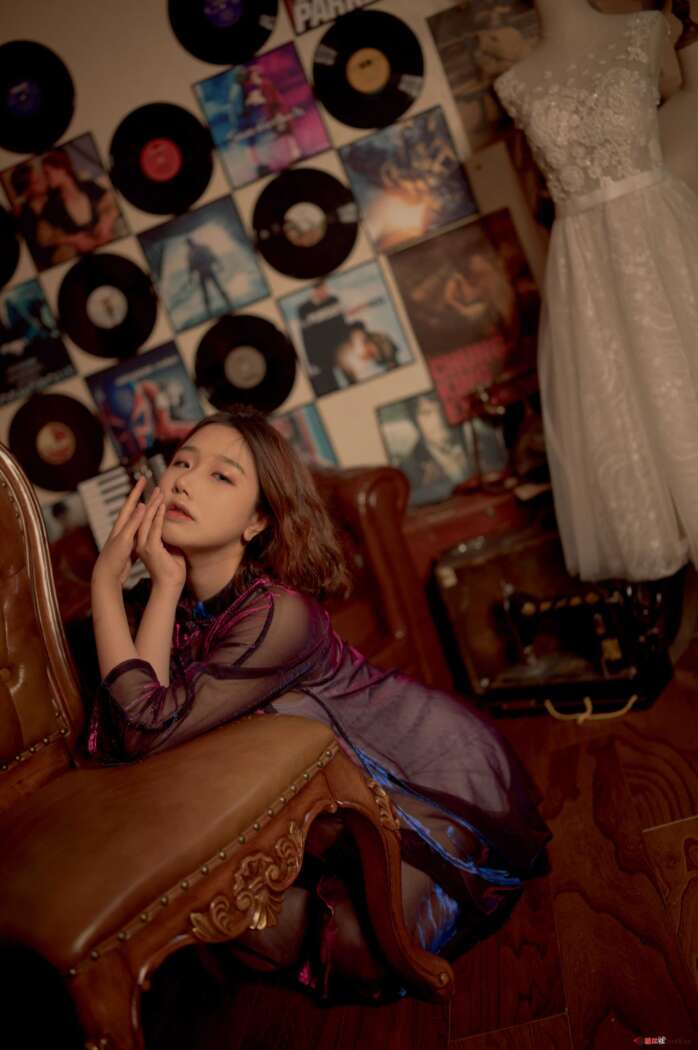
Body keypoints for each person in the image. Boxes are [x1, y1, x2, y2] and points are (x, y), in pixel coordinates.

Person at [86, 406, 551, 1001]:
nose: (182, 482)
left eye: (221, 476)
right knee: (281, 930)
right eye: (181, 463)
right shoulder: (173, 602)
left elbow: (144, 731)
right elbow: (145, 726)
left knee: (359, 949)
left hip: (423, 773)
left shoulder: (279, 613)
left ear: (257, 521)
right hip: (332, 797)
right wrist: (164, 587)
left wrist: (104, 582)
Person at [494, 0, 698, 583]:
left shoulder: (644, 30)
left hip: (661, 242)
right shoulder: (514, 84)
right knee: (629, 408)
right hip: (585, 268)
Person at [40, 148, 122, 257]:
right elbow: (43, 238)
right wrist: (72, 240)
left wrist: (107, 222)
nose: (45, 179)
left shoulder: (89, 186)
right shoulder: (51, 205)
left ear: (62, 169)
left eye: (47, 173)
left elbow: (114, 203)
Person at [185, 235, 231, 316]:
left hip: (207, 271)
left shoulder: (195, 251)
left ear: (190, 243)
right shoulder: (193, 252)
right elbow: (191, 267)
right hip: (205, 272)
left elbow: (212, 256)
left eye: (189, 243)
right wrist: (190, 277)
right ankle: (210, 309)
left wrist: (219, 264)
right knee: (209, 291)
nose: (190, 245)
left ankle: (226, 303)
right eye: (189, 243)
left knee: (215, 288)